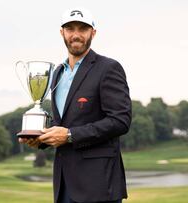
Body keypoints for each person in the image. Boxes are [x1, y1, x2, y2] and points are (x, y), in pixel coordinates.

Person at [19, 7, 132, 203]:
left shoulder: (108, 68)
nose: (76, 35)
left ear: (93, 33)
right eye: (70, 29)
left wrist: (70, 135)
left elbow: (120, 120)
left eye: (83, 29)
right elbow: (64, 122)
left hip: (98, 185)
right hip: (64, 184)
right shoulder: (57, 73)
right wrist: (42, 138)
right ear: (62, 33)